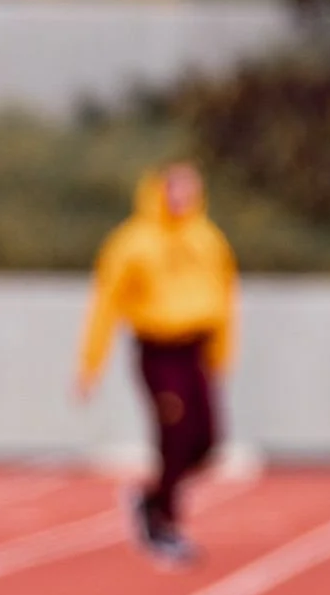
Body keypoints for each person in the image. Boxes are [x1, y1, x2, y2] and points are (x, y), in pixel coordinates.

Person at [76, 162, 238, 566]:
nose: (182, 198)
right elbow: (106, 304)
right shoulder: (132, 242)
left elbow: (225, 298)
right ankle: (163, 523)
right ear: (159, 190)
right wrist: (90, 363)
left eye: (190, 190)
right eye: (175, 189)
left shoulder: (207, 239)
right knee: (175, 435)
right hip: (159, 350)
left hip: (196, 351)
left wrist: (221, 354)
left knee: (207, 441)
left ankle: (148, 498)